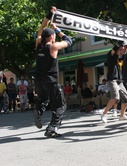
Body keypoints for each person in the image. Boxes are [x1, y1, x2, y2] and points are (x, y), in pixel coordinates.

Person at [33, 6, 72, 138]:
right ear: (51, 37)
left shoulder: (38, 44)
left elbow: (41, 28)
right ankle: (52, 128)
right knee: (60, 105)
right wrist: (58, 29)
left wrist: (50, 15)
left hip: (39, 80)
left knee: (43, 98)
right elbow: (69, 41)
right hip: (51, 81)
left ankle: (38, 111)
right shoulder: (53, 47)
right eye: (54, 36)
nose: (55, 37)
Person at [100, 40, 127, 123]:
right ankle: (104, 113)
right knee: (115, 97)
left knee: (126, 99)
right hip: (112, 79)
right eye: (120, 50)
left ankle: (122, 115)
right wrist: (120, 43)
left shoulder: (122, 57)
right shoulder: (111, 56)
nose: (121, 51)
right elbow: (114, 49)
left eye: (122, 50)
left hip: (120, 81)